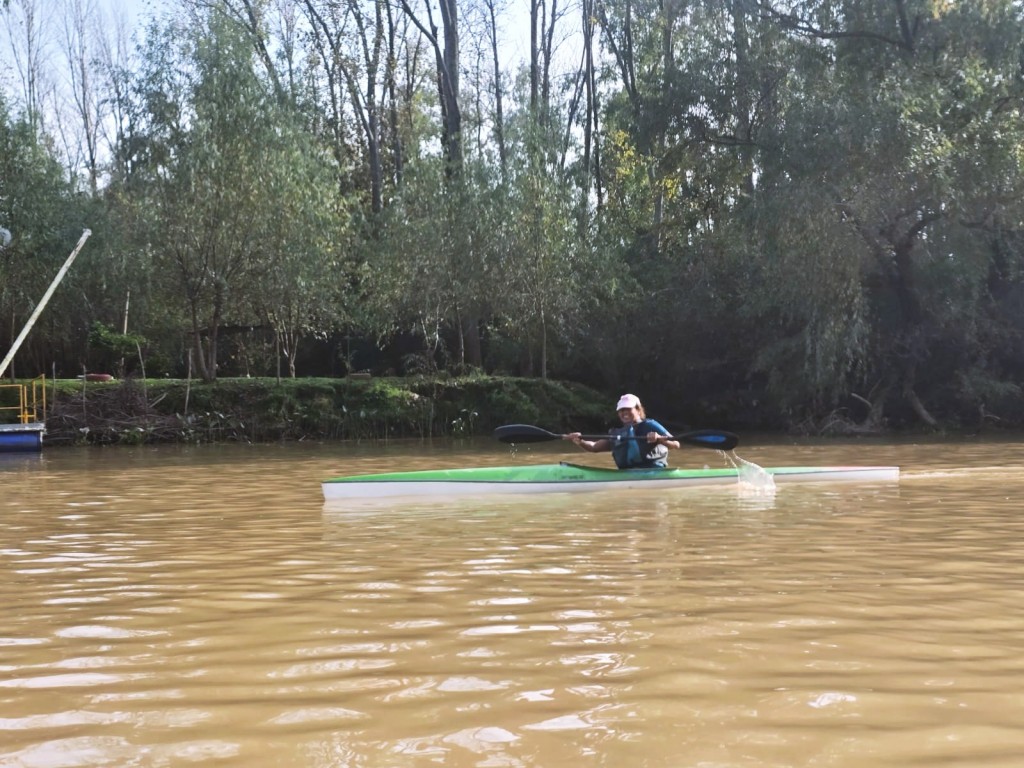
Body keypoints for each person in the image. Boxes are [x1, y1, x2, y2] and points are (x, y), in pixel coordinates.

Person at [564, 393, 680, 468]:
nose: (624, 412)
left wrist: (660, 439)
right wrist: (580, 441)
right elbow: (594, 447)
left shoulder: (650, 425)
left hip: (654, 473)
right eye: (621, 410)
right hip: (627, 475)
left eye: (628, 409)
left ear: (638, 410)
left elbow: (676, 444)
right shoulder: (618, 433)